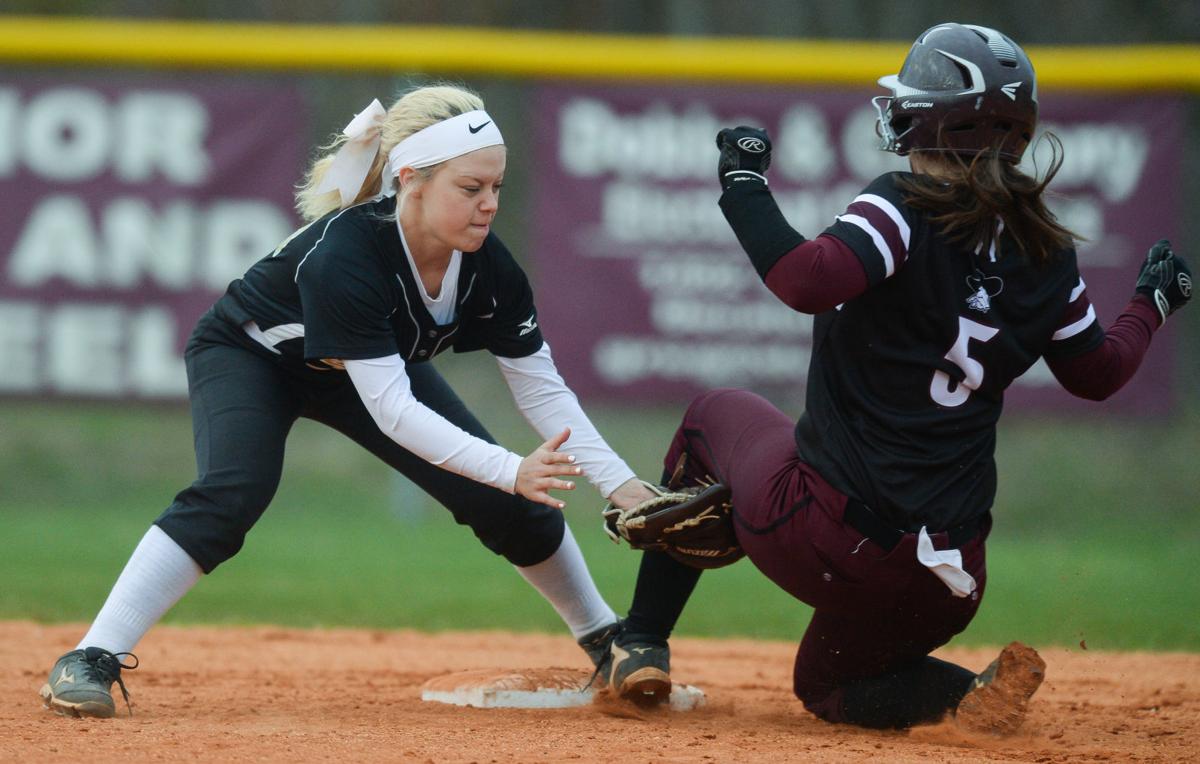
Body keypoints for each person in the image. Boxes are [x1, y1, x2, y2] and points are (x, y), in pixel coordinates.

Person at [600, 23, 1192, 731]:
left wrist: (742, 183)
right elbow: (1099, 373)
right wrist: (1151, 303)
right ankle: (969, 696)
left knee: (710, 415)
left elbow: (805, 280)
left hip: (829, 539)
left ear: (938, 119)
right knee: (827, 685)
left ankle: (639, 642)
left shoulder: (905, 206)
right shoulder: (1046, 252)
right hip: (951, 581)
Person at [39, 84, 654, 719]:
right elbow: (394, 412)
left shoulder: (489, 268)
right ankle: (89, 658)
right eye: (470, 189)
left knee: (509, 508)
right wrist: (510, 468)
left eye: (495, 188)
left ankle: (606, 638)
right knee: (231, 493)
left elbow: (540, 386)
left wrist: (620, 483)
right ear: (411, 180)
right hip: (253, 356)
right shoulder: (349, 256)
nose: (489, 205)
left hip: (365, 367)